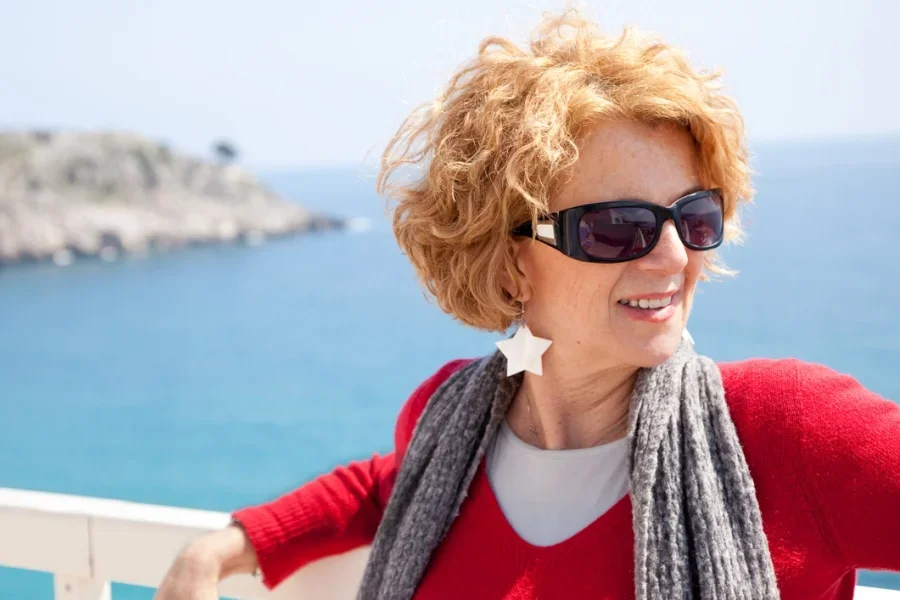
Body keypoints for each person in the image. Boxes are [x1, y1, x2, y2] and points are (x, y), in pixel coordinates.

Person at [155, 10, 900, 600]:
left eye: (694, 216)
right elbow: (387, 485)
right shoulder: (451, 424)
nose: (674, 256)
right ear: (511, 260)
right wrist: (221, 549)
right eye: (617, 228)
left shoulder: (789, 432)